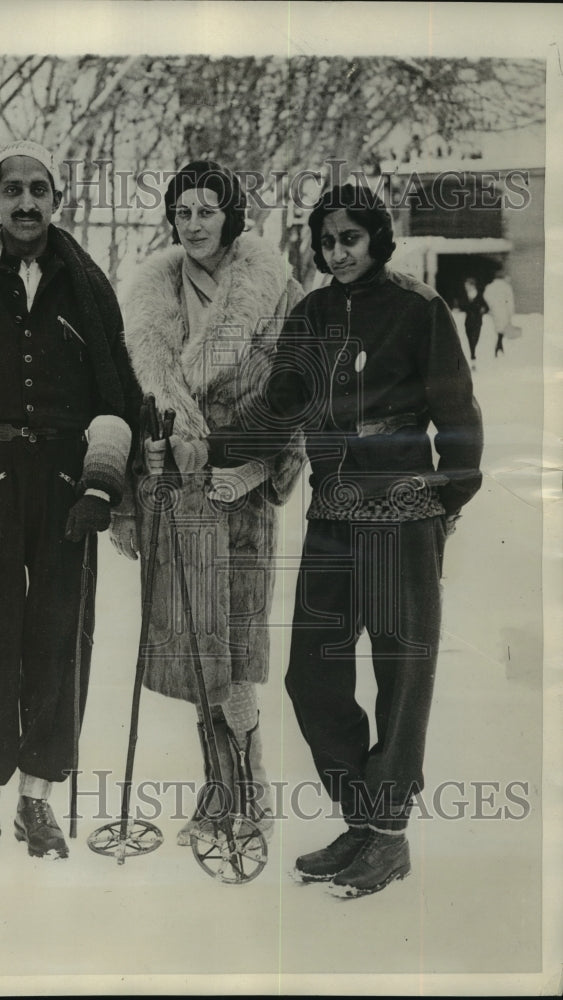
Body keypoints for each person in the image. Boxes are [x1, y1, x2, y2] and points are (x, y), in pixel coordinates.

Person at [207, 183, 484, 896]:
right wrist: (210, 443)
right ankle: (361, 819)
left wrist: (449, 493)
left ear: (376, 240)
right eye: (327, 241)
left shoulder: (419, 309)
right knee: (311, 673)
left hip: (402, 508)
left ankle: (387, 837)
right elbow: (281, 404)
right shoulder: (312, 313)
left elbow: (455, 406)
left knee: (400, 672)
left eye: (350, 239)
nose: (338, 252)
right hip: (332, 509)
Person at [0, 140, 139, 874]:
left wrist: (101, 486)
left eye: (39, 189)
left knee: (58, 638)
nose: (26, 202)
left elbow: (116, 397)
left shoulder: (88, 286)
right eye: (13, 189)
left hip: (66, 489)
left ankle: (37, 797)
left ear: (57, 200)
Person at [110, 160, 305, 843]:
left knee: (235, 658)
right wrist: (141, 477)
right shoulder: (148, 297)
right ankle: (216, 797)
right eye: (182, 211)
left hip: (238, 498)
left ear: (230, 215)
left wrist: (258, 470)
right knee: (199, 654)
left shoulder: (276, 292)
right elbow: (133, 405)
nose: (192, 224)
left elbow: (304, 392)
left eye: (205, 210)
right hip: (178, 502)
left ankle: (251, 798)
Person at [483, 267, 516, 357]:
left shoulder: (490, 286)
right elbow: (510, 300)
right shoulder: (506, 287)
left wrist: (490, 306)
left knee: (497, 328)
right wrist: (510, 311)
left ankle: (499, 346)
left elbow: (486, 297)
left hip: (494, 310)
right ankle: (499, 346)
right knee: (502, 328)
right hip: (504, 310)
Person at [462, 276, 488, 371]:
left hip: (477, 321)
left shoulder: (479, 295)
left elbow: (486, 306)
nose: (465, 287)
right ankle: (473, 357)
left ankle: (473, 356)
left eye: (467, 285)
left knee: (474, 340)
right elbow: (462, 306)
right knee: (471, 341)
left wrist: (483, 310)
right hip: (468, 322)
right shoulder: (465, 296)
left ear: (472, 285)